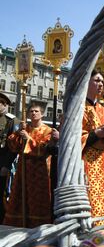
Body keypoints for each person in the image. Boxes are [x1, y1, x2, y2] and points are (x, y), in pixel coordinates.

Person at [3, 101, 58, 227]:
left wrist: (28, 139)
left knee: (37, 199)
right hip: (23, 169)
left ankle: (37, 226)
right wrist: (18, 134)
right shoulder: (25, 128)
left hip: (39, 171)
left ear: (42, 114)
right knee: (19, 197)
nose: (33, 113)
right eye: (31, 111)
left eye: (36, 111)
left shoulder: (47, 131)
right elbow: (12, 146)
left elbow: (43, 150)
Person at [81, 70, 104, 225]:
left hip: (103, 160)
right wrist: (96, 133)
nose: (101, 84)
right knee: (89, 195)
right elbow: (73, 136)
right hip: (86, 160)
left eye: (102, 81)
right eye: (96, 80)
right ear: (87, 82)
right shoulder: (78, 107)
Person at [0, 92, 19, 222]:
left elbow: (14, 147)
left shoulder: (11, 121)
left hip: (2, 163)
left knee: (1, 193)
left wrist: (7, 165)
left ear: (4, 105)